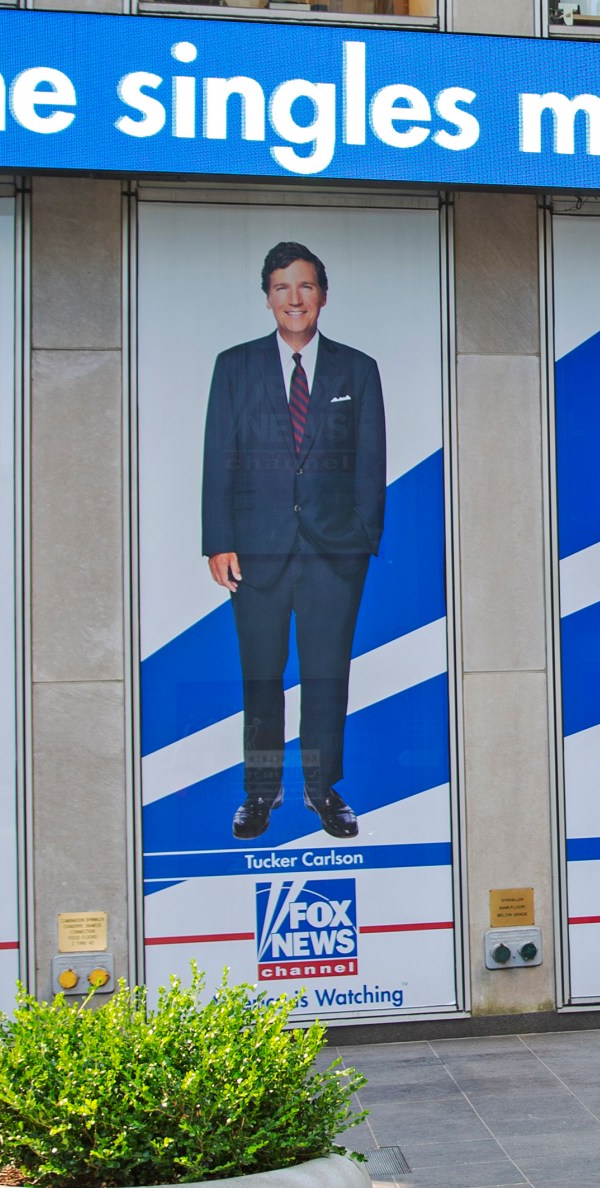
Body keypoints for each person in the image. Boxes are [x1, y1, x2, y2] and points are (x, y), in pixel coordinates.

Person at [201, 240, 387, 843]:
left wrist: (363, 539)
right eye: (282, 287)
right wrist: (218, 540)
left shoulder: (357, 369)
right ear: (267, 299)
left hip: (335, 553)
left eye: (305, 286)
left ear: (322, 296)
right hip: (255, 551)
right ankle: (261, 791)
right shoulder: (235, 366)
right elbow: (217, 457)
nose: (295, 298)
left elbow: (370, 463)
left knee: (327, 675)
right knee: (261, 674)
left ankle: (321, 788)